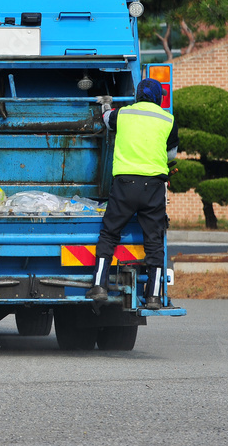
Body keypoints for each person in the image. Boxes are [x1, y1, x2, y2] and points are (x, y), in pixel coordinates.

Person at [86, 78, 179, 309]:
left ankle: (99, 286)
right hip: (154, 187)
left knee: (109, 234)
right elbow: (171, 156)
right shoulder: (168, 120)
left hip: (125, 185)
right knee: (154, 242)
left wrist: (106, 104)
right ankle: (154, 297)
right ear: (159, 98)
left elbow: (106, 119)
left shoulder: (123, 114)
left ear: (137, 95)